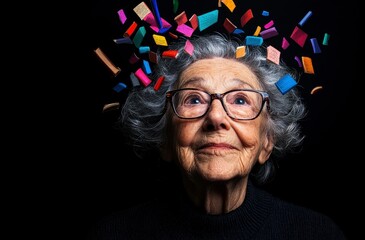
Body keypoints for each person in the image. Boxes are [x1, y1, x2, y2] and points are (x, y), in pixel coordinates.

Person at [87, 32, 346, 240]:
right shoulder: (112, 234)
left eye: (241, 100)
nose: (216, 118)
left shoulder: (317, 233)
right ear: (165, 138)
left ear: (267, 142)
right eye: (194, 99)